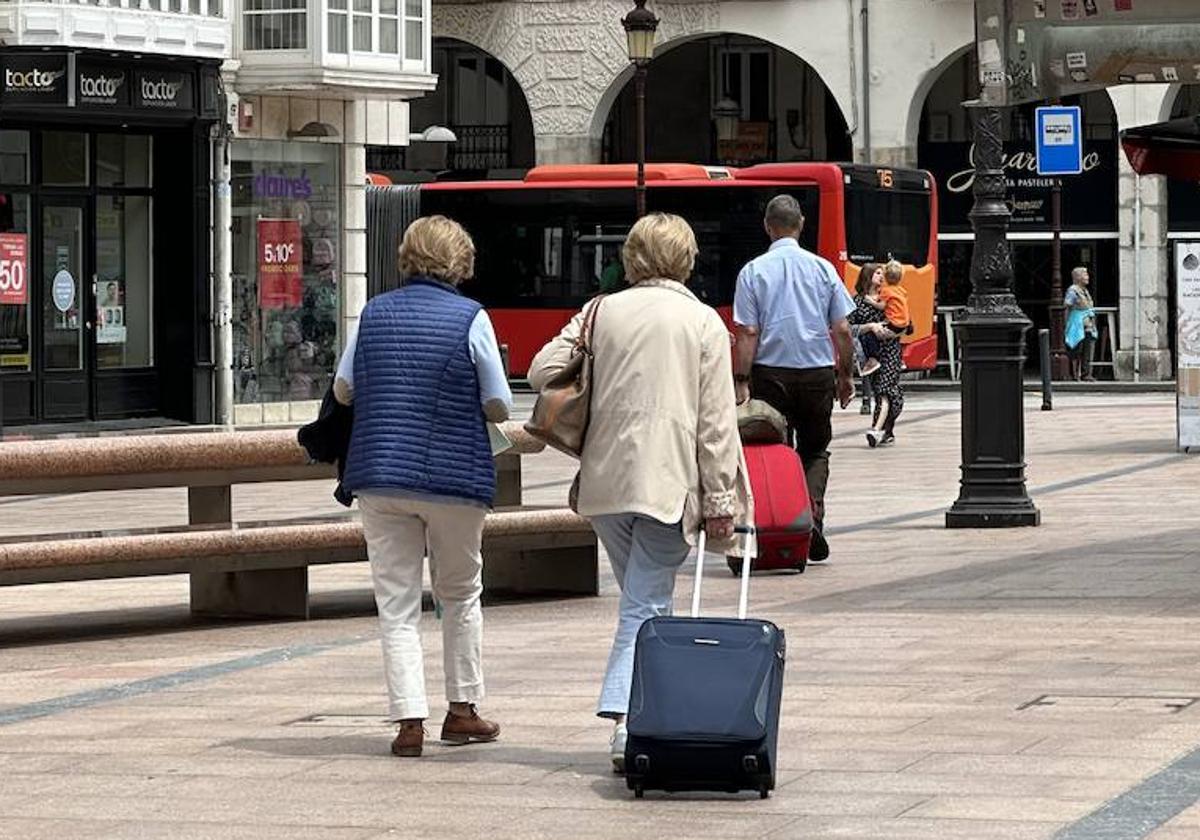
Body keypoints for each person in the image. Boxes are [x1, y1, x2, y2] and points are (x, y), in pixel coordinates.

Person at [528, 212, 750, 773]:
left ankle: (651, 711)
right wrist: (723, 502)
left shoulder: (601, 311)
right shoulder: (702, 322)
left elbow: (540, 369)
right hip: (667, 484)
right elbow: (718, 424)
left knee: (642, 598)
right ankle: (626, 721)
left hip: (604, 482)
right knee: (646, 604)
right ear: (686, 258)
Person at [334, 215, 513, 758]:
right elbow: (500, 403)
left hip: (381, 476)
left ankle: (409, 722)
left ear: (408, 256)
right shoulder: (471, 318)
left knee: (396, 603)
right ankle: (462, 711)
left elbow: (343, 390)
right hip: (455, 478)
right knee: (460, 594)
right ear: (460, 261)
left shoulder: (372, 314)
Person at [732, 194, 856, 563]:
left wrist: (741, 379)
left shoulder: (752, 271)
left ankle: (776, 520)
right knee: (815, 449)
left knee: (771, 450)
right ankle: (812, 514)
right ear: (801, 224)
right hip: (817, 373)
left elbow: (748, 332)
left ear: (767, 227)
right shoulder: (823, 269)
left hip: (771, 375)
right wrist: (845, 375)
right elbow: (843, 328)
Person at [848, 265, 904, 447]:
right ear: (867, 276)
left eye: (882, 273)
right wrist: (870, 327)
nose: (882, 276)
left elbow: (905, 321)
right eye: (877, 273)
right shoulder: (856, 302)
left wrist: (894, 331)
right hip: (871, 355)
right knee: (883, 390)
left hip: (891, 350)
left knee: (891, 394)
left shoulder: (888, 296)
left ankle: (885, 430)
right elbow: (848, 329)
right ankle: (877, 430)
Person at [1064, 266, 1099, 382]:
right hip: (1077, 322)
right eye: (1085, 275)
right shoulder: (1073, 290)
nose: (1087, 277)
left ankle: (1085, 373)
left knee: (1087, 348)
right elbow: (1068, 304)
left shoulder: (1085, 291)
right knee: (1076, 348)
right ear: (1078, 277)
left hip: (1087, 322)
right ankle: (1074, 373)